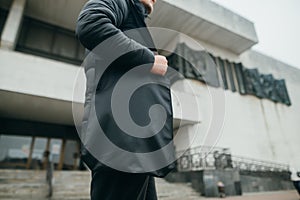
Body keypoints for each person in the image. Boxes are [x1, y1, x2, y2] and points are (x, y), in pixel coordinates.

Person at [76, 0, 173, 199]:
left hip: (136, 143)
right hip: (120, 140)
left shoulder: (134, 16)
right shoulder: (120, 2)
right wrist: (150, 60)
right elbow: (92, 24)